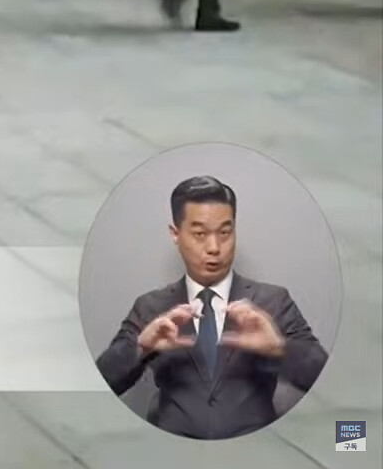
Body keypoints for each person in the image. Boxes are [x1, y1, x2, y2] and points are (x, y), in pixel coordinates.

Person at [94, 175, 327, 440]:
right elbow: (103, 381)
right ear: (175, 234)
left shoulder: (273, 301)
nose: (214, 248)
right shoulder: (150, 307)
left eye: (225, 233)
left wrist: (279, 349)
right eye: (200, 234)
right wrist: (141, 348)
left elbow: (325, 378)